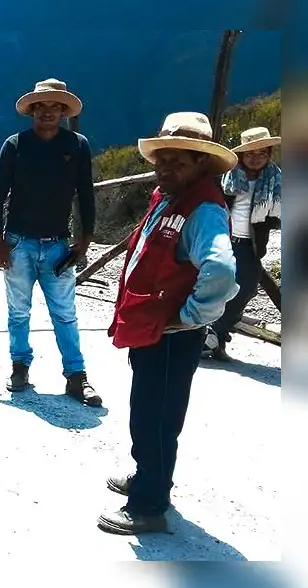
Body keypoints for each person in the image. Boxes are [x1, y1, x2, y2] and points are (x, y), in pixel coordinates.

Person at [99, 112, 239, 535]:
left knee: (156, 415)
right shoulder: (171, 196)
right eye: (162, 157)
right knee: (148, 409)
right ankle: (149, 479)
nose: (165, 166)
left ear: (201, 164)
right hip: (156, 328)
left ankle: (149, 506)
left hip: (172, 334)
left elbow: (222, 271)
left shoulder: (204, 210)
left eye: (179, 159)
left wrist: (190, 317)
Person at [0, 78, 100, 405]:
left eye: (55, 107)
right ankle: (19, 365)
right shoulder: (15, 145)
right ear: (33, 110)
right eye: (42, 107)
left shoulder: (77, 145)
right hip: (18, 242)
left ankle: (76, 377)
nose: (48, 112)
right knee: (18, 310)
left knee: (65, 312)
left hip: (57, 244)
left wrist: (85, 238)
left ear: (63, 111)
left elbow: (85, 194)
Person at [204, 126, 282, 361]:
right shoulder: (226, 177)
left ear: (269, 154)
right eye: (250, 154)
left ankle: (214, 336)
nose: (256, 158)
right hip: (223, 239)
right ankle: (210, 340)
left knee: (246, 288)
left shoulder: (276, 181)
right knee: (216, 288)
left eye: (262, 153)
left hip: (251, 246)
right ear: (241, 156)